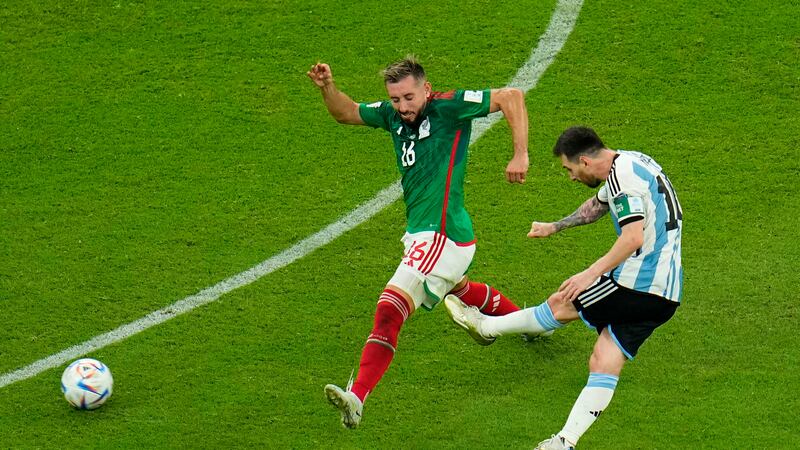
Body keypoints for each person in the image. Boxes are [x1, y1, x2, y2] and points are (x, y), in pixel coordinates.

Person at [306, 56, 531, 429]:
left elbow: (512, 96)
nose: (403, 107)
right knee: (458, 289)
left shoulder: (447, 108)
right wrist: (328, 87)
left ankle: (357, 397)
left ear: (426, 89)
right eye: (395, 99)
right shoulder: (392, 116)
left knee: (390, 308)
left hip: (442, 235)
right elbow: (346, 113)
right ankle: (535, 323)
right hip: (427, 235)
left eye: (409, 97)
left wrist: (520, 153)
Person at [444, 126, 683, 449]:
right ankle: (564, 442)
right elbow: (598, 206)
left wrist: (590, 274)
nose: (570, 177)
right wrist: (554, 227)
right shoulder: (631, 162)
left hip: (638, 282)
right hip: (666, 294)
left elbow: (633, 237)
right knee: (604, 359)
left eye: (569, 169)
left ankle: (487, 326)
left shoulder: (622, 180)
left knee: (562, 302)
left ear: (584, 161)